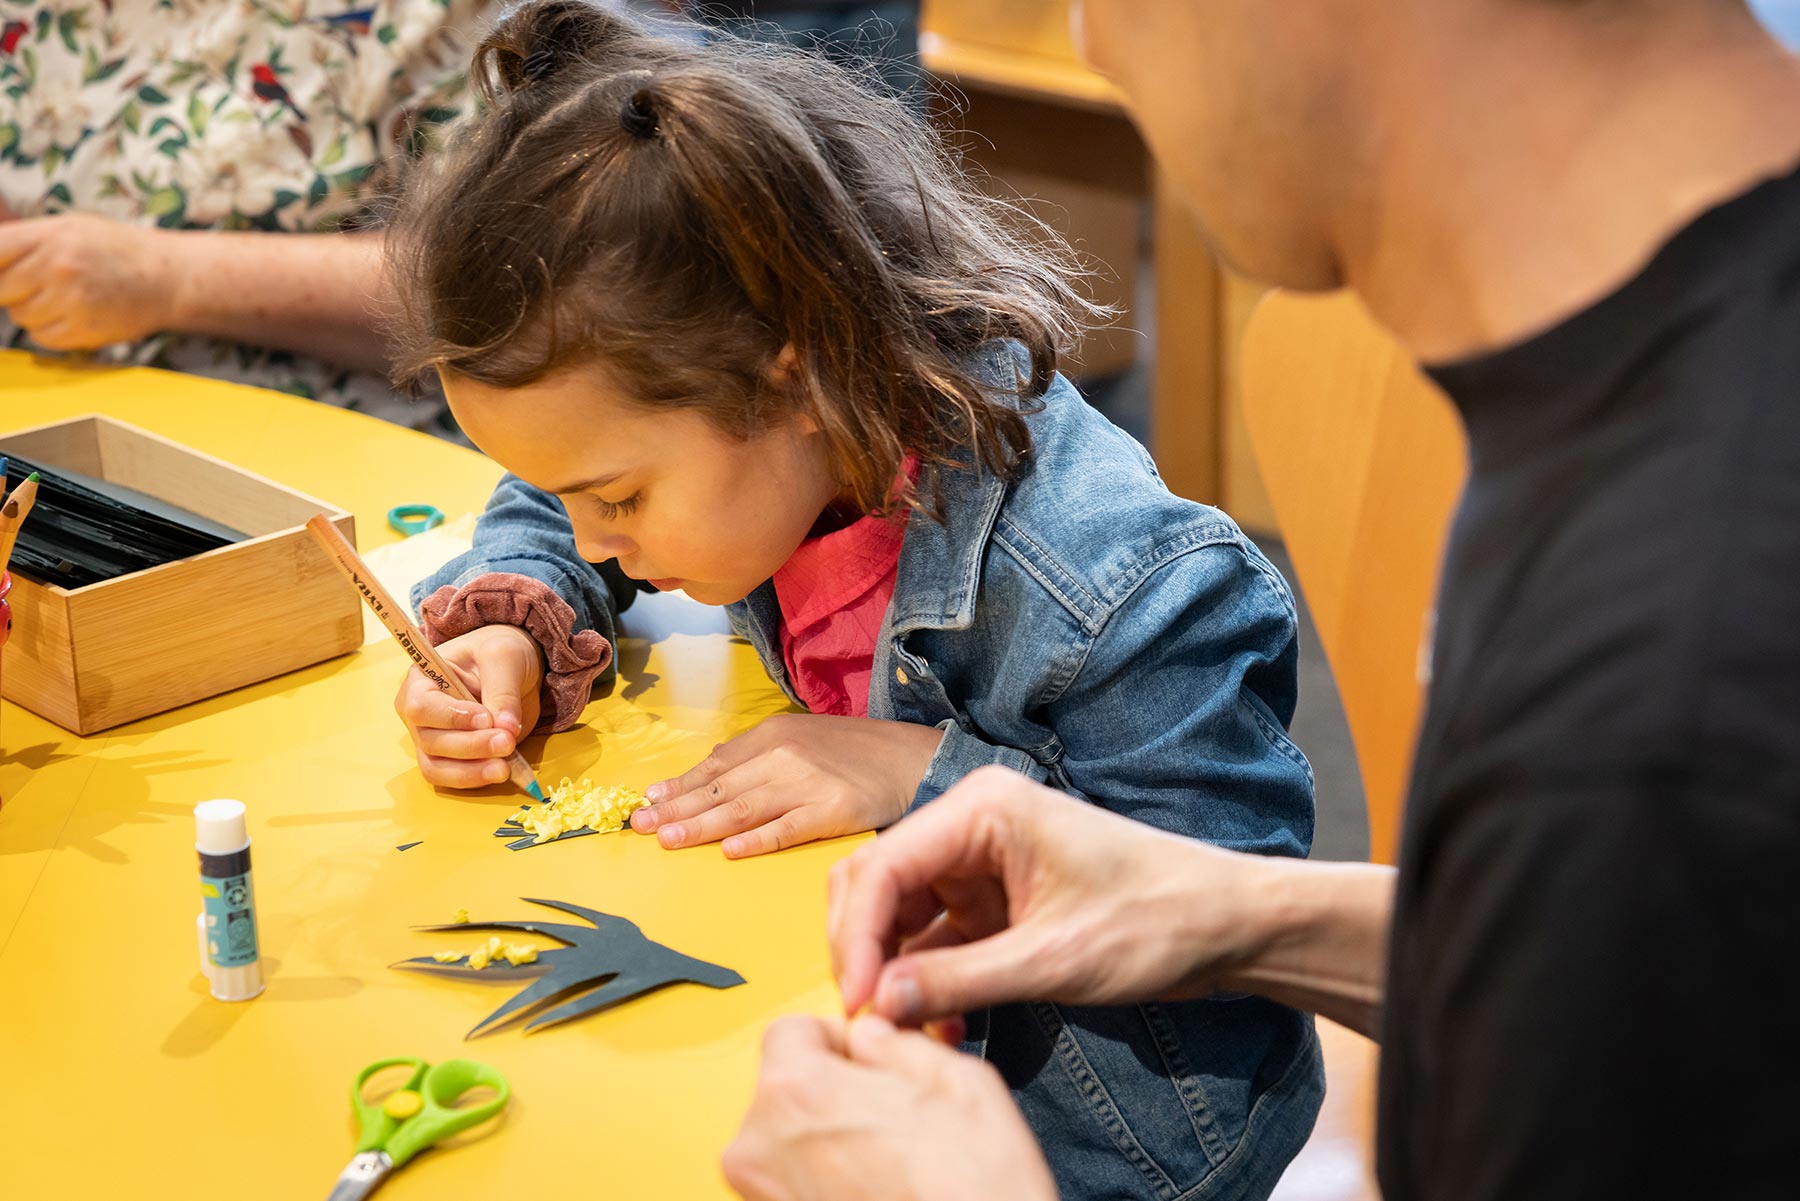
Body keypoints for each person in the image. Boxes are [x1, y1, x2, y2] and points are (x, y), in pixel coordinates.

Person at [725, 1, 1800, 1199]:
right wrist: (1240, 912)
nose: (1095, 43)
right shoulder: (1675, 378)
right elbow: (1627, 987)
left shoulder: (1659, 709)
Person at [383, 2, 1326, 1196]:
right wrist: (517, 614)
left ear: (799, 378)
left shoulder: (1119, 583)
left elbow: (1231, 910)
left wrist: (916, 770)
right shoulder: (769, 431)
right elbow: (548, 479)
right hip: (896, 1043)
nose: (595, 536)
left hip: (1113, 1139)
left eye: (615, 497)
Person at [0, 1, 493, 435]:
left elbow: (494, 277)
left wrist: (166, 278)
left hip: (305, 450)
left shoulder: (450, 20)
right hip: (30, 407)